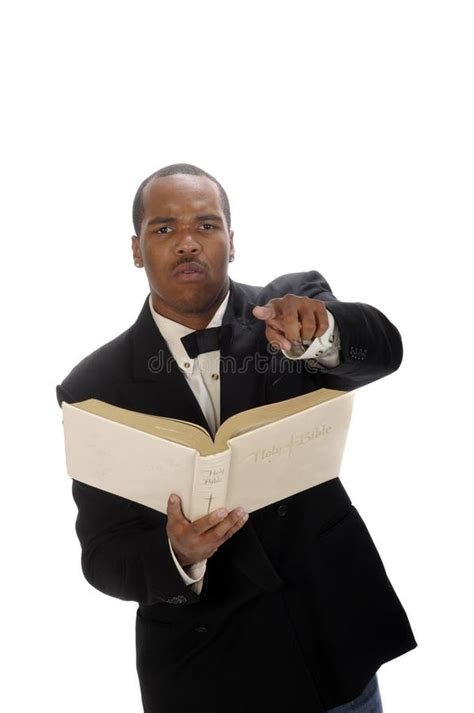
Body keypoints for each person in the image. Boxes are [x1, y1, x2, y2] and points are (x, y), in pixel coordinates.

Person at [56, 163, 417, 713]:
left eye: (206, 225)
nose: (186, 243)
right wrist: (176, 553)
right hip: (206, 672)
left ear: (232, 240)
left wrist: (324, 334)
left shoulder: (293, 304)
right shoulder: (91, 387)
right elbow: (102, 555)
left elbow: (385, 349)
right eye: (164, 229)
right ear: (135, 250)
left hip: (328, 641)